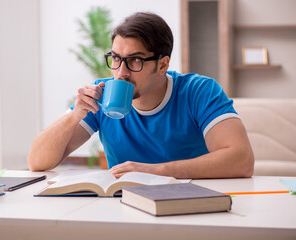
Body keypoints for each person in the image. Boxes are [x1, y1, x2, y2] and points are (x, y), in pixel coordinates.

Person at [28, 12, 254, 179]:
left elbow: (241, 160)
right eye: (116, 58)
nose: (121, 73)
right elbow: (36, 162)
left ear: (162, 64)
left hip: (189, 202)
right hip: (125, 206)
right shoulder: (102, 94)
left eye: (135, 60)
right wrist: (73, 116)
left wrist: (159, 171)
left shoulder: (198, 91)